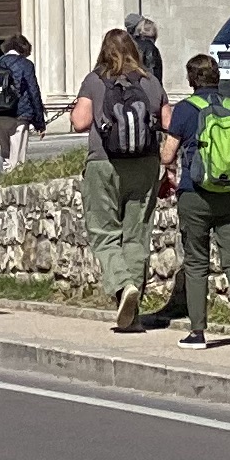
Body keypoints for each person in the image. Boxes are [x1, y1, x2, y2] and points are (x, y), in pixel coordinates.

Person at [58, 29, 167, 327]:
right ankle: (132, 313)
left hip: (103, 164)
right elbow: (167, 121)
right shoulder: (150, 82)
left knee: (104, 234)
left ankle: (122, 286)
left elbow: (80, 121)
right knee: (137, 235)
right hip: (145, 164)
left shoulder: (95, 80)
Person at [163, 53, 230, 350]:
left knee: (196, 262)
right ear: (217, 77)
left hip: (195, 196)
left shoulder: (184, 110)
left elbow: (168, 155)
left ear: (191, 79)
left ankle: (197, 331)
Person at [0, 35, 45, 168]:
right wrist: (39, 123)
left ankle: (4, 182)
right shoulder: (26, 65)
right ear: (24, 48)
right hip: (19, 114)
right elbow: (34, 92)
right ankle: (14, 183)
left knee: (6, 158)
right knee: (18, 161)